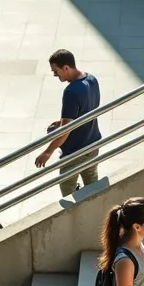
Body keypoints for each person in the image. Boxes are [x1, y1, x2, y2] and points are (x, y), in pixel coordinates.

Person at [35, 49, 104, 197]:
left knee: (67, 188)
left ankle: (76, 215)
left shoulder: (71, 92)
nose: (55, 75)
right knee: (92, 182)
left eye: (56, 71)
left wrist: (47, 152)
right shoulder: (92, 79)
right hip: (94, 142)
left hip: (75, 150)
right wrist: (61, 122)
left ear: (66, 67)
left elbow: (66, 130)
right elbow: (88, 108)